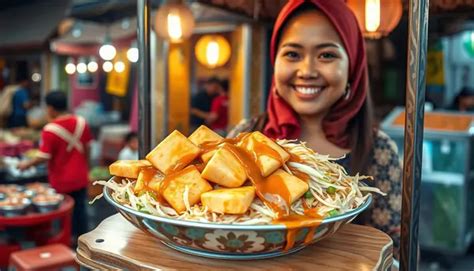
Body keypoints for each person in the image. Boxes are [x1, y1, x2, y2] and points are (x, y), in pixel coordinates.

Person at [227, 0, 401, 259]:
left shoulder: (379, 150)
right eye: (292, 54)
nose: (307, 71)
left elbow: (394, 251)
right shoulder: (247, 134)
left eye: (327, 55)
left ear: (352, 65)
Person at [18, 90, 93, 243]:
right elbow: (88, 148)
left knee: (64, 214)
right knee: (80, 210)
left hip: (62, 180)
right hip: (80, 176)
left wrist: (25, 164)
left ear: (51, 108)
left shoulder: (50, 129)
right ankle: (84, 242)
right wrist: (86, 167)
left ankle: (66, 243)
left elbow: (43, 156)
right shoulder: (81, 122)